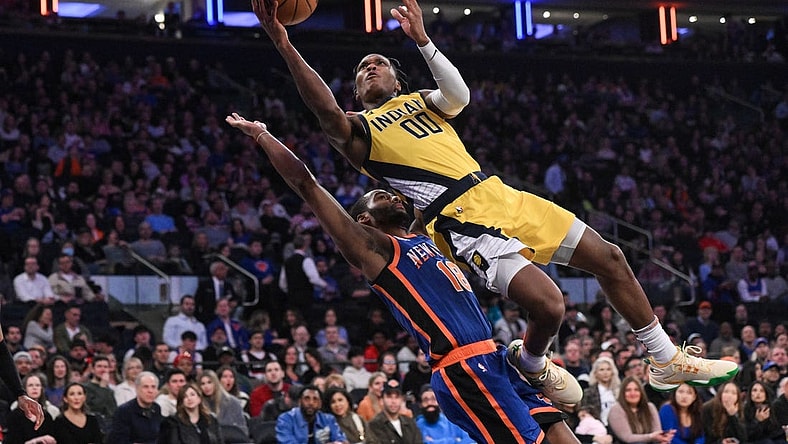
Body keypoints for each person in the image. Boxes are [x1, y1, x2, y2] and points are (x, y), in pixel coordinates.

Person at [251, 0, 738, 399]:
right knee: (550, 306)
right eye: (360, 69)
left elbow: (458, 94)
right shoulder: (358, 131)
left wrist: (422, 39)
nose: (369, 66)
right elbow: (325, 110)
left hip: (500, 192)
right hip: (459, 220)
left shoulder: (421, 101)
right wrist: (282, 41)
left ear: (398, 80)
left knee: (611, 257)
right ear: (356, 90)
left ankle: (663, 358)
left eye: (377, 62)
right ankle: (531, 363)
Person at [227, 112, 578, 443]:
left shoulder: (422, 235)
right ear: (363, 219)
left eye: (392, 194)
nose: (394, 196)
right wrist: (262, 135)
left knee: (561, 432)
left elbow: (427, 172)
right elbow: (307, 183)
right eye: (381, 196)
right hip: (462, 367)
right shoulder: (373, 248)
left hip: (494, 357)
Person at [607, 376, 674, 444]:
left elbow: (656, 433)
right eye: (628, 390)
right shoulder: (616, 409)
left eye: (636, 390)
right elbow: (627, 438)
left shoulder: (650, 407)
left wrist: (663, 437)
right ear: (622, 393)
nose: (633, 393)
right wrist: (651, 437)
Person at [275, 384, 347, 444]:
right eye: (307, 398)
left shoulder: (328, 419)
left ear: (320, 404)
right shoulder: (285, 419)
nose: (311, 403)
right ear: (299, 402)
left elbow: (341, 440)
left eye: (315, 399)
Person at [108, 371, 165, 444]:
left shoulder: (156, 408)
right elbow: (118, 440)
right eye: (145, 387)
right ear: (137, 389)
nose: (150, 391)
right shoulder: (124, 411)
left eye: (153, 387)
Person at [158, 382, 223, 444]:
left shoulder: (211, 420)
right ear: (181, 402)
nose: (189, 398)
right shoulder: (173, 423)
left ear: (199, 398)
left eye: (192, 394)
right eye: (185, 396)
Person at [366, 379, 423, 444]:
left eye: (397, 397)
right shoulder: (374, 425)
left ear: (402, 400)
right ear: (381, 400)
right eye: (389, 397)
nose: (393, 401)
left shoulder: (410, 423)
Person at [199, 369, 249, 443]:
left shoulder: (232, 402)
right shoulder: (199, 404)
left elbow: (243, 430)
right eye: (203, 384)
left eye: (209, 382)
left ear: (216, 383)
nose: (206, 386)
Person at [581, 356, 621, 426]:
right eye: (601, 370)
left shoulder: (619, 391)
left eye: (608, 369)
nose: (605, 373)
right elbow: (585, 412)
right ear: (595, 373)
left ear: (612, 372)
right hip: (598, 427)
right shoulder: (589, 393)